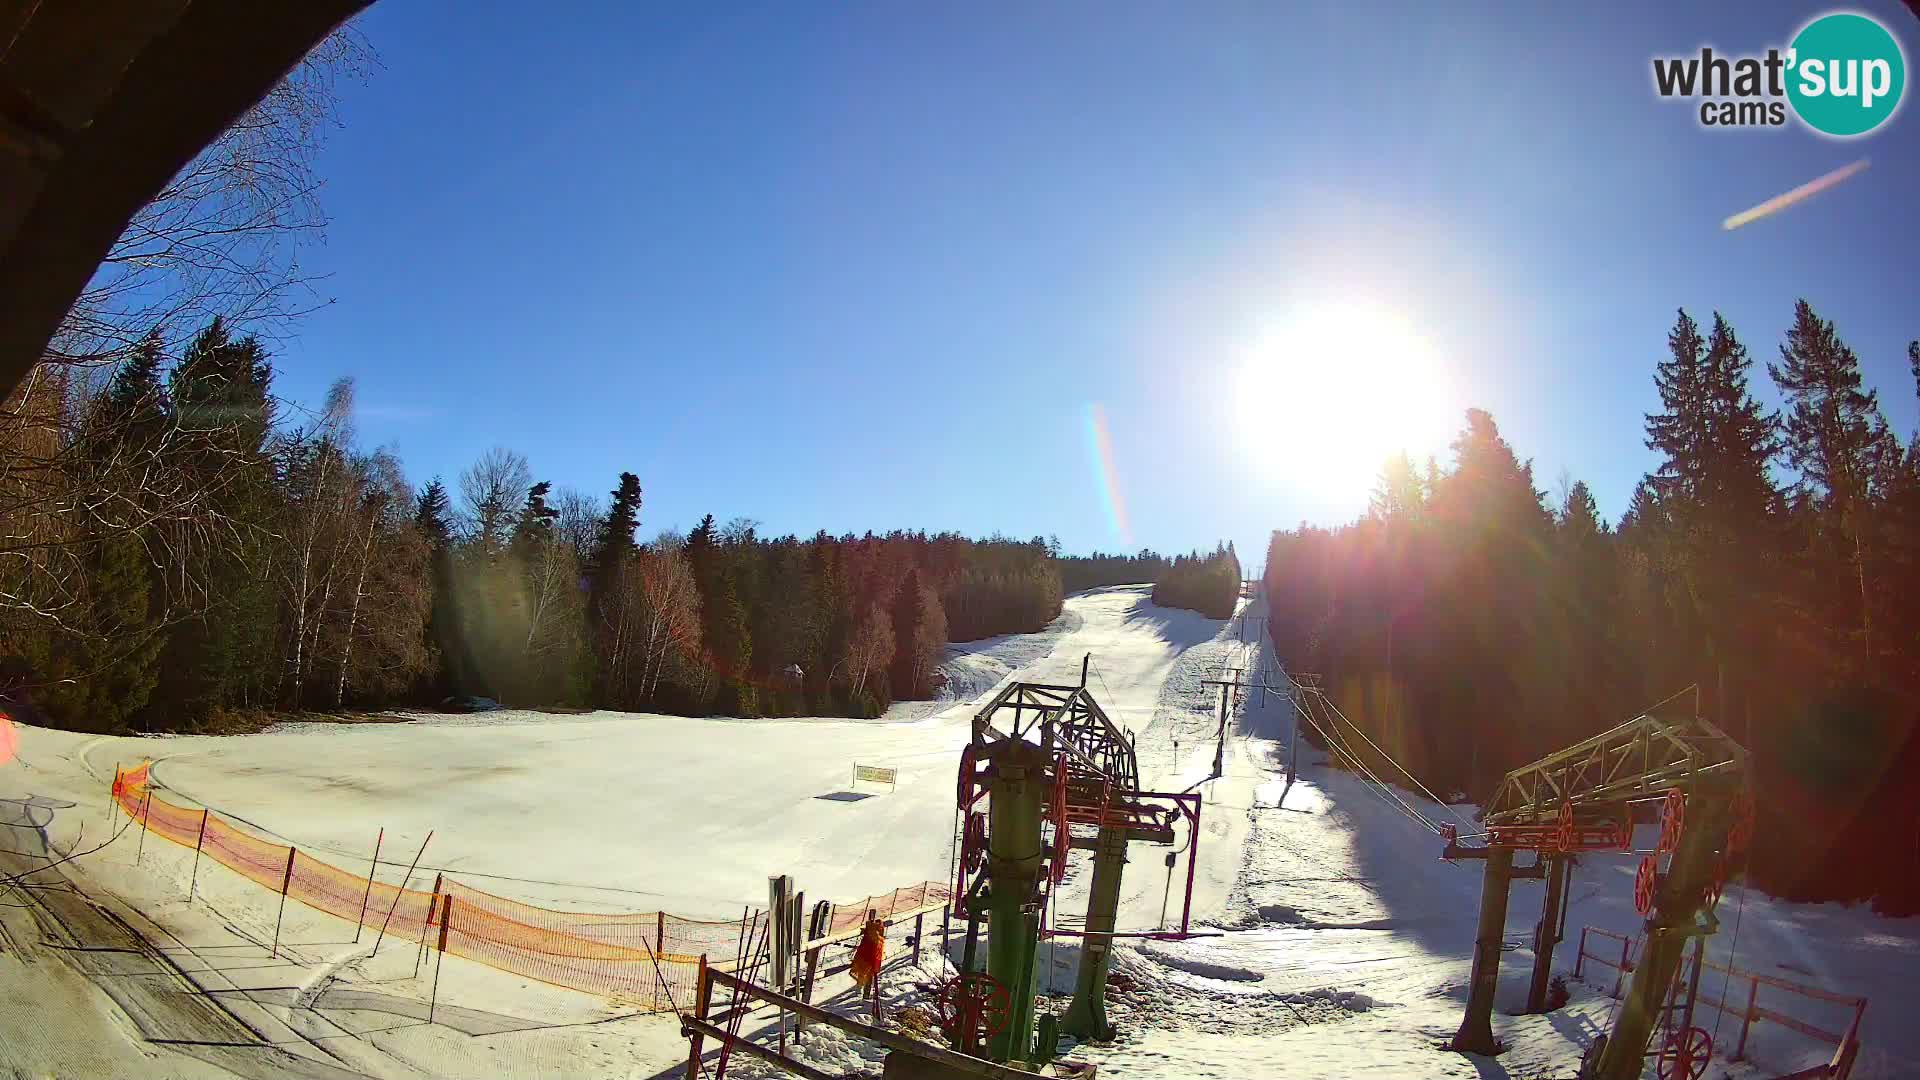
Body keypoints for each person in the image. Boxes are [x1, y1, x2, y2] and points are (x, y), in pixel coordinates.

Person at [849, 912, 885, 995]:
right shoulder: (878, 937)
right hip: (868, 957)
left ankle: (862, 988)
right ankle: (862, 988)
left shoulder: (875, 937)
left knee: (865, 971)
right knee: (866, 971)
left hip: (867, 957)